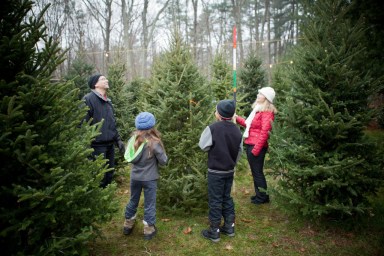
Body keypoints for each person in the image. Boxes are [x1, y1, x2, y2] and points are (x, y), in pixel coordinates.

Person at [199, 99, 243, 242]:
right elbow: (239, 151)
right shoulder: (237, 130)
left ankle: (214, 231)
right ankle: (229, 227)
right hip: (229, 171)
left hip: (215, 172)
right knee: (226, 197)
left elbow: (203, 146)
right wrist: (231, 164)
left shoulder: (212, 128)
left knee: (215, 200)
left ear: (218, 114)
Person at [123, 112, 167, 240]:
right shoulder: (154, 142)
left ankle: (128, 224)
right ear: (152, 126)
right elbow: (164, 161)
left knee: (133, 199)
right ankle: (148, 229)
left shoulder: (133, 140)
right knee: (149, 203)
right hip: (150, 179)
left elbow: (130, 157)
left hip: (135, 177)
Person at [235, 87, 277, 205]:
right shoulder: (258, 110)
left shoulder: (267, 112)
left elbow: (265, 132)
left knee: (257, 172)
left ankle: (262, 197)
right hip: (251, 143)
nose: (258, 95)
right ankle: (260, 194)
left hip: (256, 145)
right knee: (255, 171)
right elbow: (248, 125)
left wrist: (256, 149)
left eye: (260, 94)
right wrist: (236, 117)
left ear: (266, 98)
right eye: (258, 93)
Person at [83, 74, 125, 188]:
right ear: (95, 84)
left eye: (106, 78)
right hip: (96, 146)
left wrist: (118, 140)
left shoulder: (108, 101)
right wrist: (86, 146)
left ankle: (107, 201)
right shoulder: (88, 99)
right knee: (99, 176)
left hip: (110, 145)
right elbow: (83, 125)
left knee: (109, 175)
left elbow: (111, 123)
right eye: (103, 79)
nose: (106, 80)